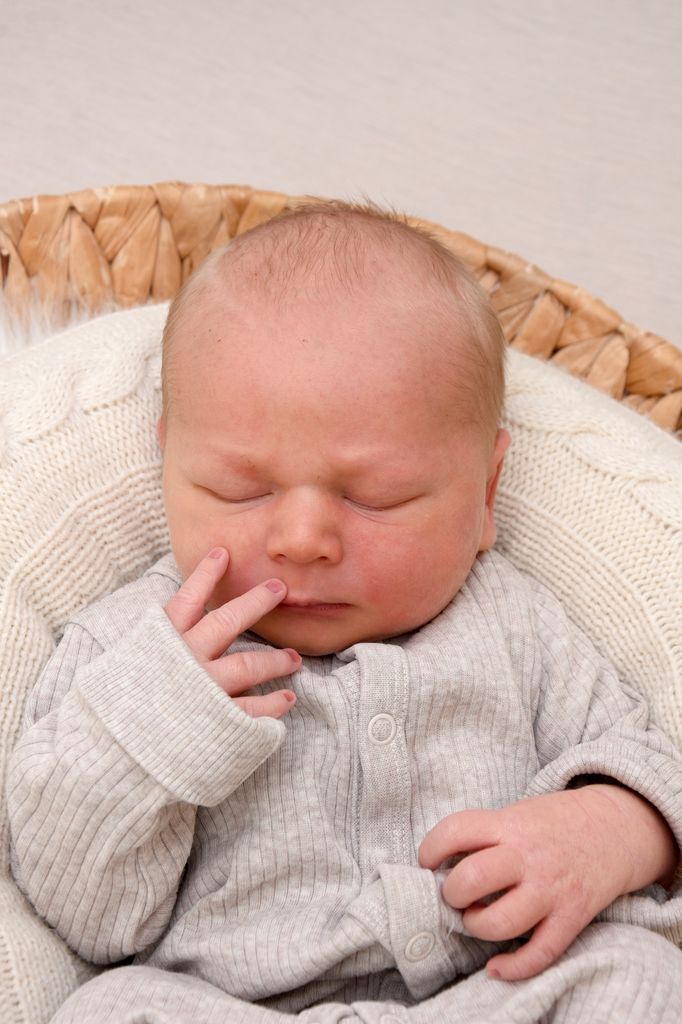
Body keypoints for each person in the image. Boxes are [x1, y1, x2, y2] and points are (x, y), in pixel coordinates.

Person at [7, 200, 682, 1024]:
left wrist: (606, 829)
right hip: (226, 1009)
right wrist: (143, 735)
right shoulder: (134, 646)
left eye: (377, 497)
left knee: (642, 975)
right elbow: (83, 915)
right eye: (238, 489)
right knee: (109, 1009)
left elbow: (646, 759)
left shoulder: (519, 626)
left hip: (490, 1002)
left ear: (485, 494)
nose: (302, 541)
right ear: (167, 463)